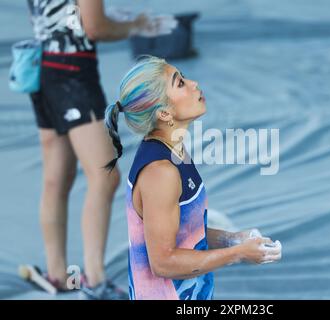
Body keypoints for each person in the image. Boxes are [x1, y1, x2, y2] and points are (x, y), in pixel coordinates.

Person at [26, 0, 174, 299]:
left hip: (42, 69)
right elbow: (95, 27)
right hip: (72, 76)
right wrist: (137, 24)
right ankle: (94, 279)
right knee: (105, 176)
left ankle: (57, 274)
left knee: (57, 179)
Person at [104, 56, 283, 300]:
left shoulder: (174, 151)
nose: (194, 84)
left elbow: (184, 231)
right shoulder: (160, 172)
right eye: (180, 84)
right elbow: (164, 263)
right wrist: (238, 254)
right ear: (165, 113)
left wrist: (233, 239)